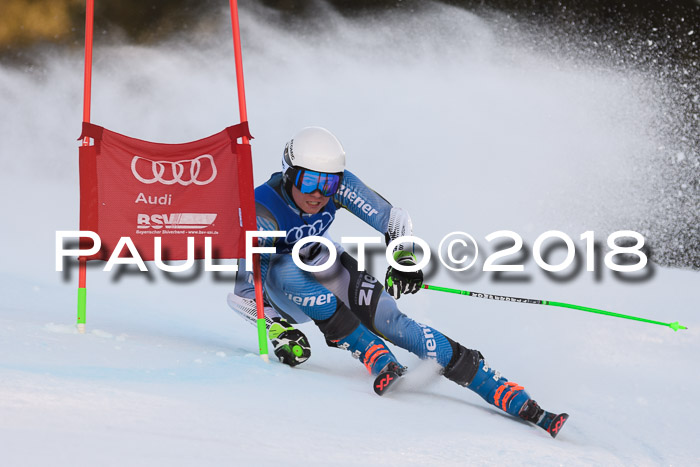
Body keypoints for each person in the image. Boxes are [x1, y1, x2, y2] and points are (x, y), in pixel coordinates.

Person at [228, 127, 568, 438]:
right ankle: (373, 353)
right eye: (308, 182)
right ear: (289, 175)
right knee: (287, 265)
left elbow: (393, 218)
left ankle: (511, 395)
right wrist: (278, 331)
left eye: (328, 184)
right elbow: (242, 293)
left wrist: (403, 260)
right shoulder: (262, 211)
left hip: (320, 263)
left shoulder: (340, 186)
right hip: (278, 291)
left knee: (390, 319)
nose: (319, 194)